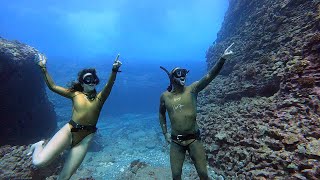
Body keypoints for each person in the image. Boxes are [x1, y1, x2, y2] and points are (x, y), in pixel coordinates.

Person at [27, 53, 122, 180]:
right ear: (82, 83)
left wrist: (114, 70)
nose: (92, 81)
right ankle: (38, 145)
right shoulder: (75, 94)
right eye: (88, 79)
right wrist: (43, 67)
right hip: (70, 130)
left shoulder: (100, 98)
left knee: (64, 178)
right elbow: (53, 87)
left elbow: (109, 86)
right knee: (38, 162)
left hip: (85, 138)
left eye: (94, 79)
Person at [159, 43, 234, 180]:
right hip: (176, 142)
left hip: (194, 140)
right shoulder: (165, 96)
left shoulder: (192, 89)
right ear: (172, 77)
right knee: (176, 176)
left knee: (203, 174)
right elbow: (161, 113)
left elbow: (209, 76)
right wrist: (165, 133)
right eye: (178, 73)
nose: (182, 76)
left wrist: (222, 59)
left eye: (183, 73)